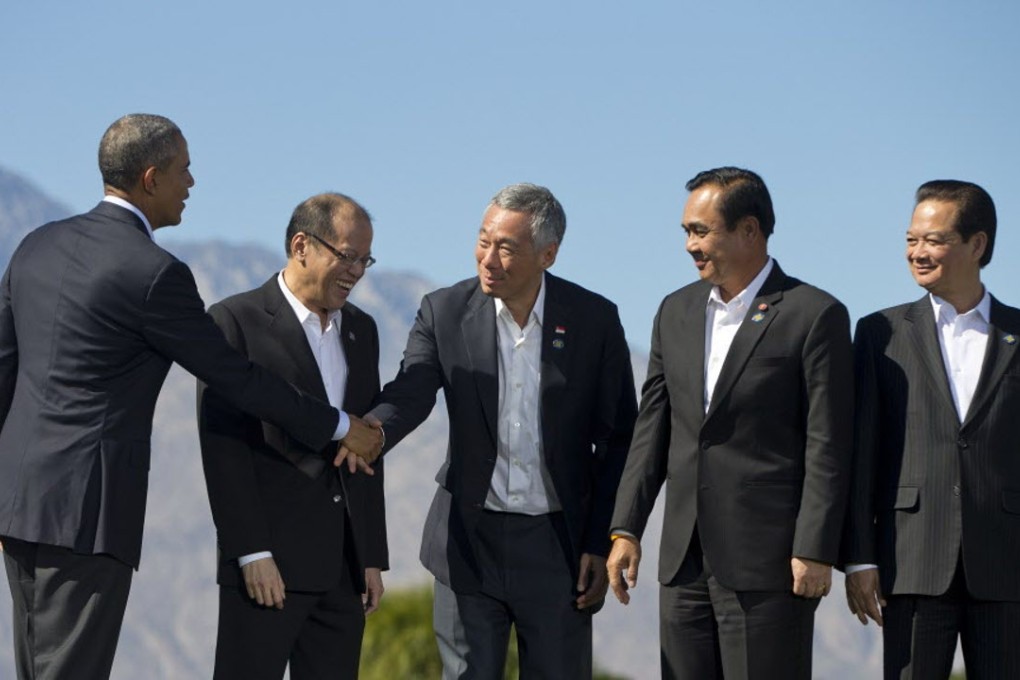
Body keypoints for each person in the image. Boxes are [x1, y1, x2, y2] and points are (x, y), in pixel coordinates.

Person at [0, 114, 381, 680]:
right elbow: (237, 378)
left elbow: (6, 367)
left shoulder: (36, 245)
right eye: (185, 170)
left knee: (40, 665)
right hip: (88, 509)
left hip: (20, 499)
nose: (193, 183)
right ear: (151, 178)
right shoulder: (154, 273)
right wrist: (336, 426)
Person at [347, 183, 637, 677]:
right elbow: (412, 389)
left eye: (506, 247)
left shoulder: (594, 320)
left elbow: (617, 440)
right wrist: (372, 429)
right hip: (468, 544)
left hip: (558, 547)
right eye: (483, 241)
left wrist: (600, 539)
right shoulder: (444, 311)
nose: (488, 258)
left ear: (548, 254)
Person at [607, 167, 853, 680]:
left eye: (701, 231)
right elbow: (652, 428)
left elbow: (827, 443)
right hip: (683, 563)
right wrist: (626, 528)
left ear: (749, 231)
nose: (690, 245)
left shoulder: (814, 314)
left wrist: (814, 546)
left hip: (770, 565)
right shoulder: (674, 311)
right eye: (686, 233)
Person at [197, 192, 388, 679]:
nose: (357, 271)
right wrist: (251, 552)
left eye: (365, 260)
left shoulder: (362, 330)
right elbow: (222, 447)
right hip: (267, 570)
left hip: (342, 573)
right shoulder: (234, 321)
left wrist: (369, 555)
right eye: (347, 256)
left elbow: (363, 445)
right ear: (301, 245)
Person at [842, 180, 1020, 679]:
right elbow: (861, 453)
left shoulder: (1017, 333)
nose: (917, 253)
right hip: (912, 560)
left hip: (1007, 565)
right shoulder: (879, 333)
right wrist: (858, 558)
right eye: (911, 239)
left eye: (933, 240)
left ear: (977, 244)